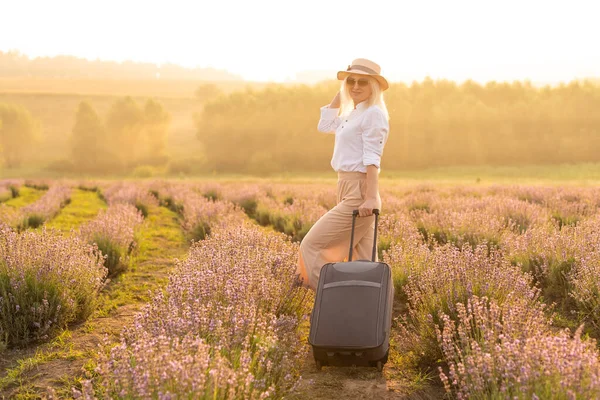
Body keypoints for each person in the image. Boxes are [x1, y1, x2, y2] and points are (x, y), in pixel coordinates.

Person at [297, 58, 390, 290]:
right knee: (365, 261)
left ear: (374, 87)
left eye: (363, 82)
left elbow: (372, 159)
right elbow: (325, 126)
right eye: (351, 81)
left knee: (311, 246)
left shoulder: (373, 114)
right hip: (347, 187)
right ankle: (367, 316)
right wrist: (342, 94)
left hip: (360, 191)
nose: (356, 86)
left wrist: (369, 197)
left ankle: (333, 302)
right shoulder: (354, 112)